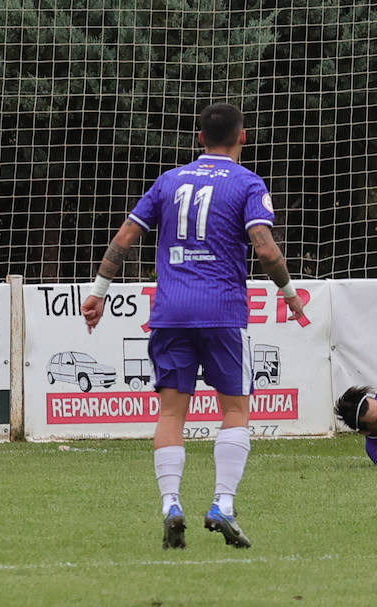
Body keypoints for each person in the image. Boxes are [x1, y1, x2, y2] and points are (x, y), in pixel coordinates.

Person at [80, 103, 304, 550]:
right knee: (236, 411)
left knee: (170, 414)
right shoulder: (247, 183)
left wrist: (99, 291)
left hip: (171, 312)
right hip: (222, 311)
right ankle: (222, 502)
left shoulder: (169, 180)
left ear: (199, 139)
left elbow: (125, 237)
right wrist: (289, 293)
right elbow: (266, 250)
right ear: (243, 136)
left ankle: (170, 504)